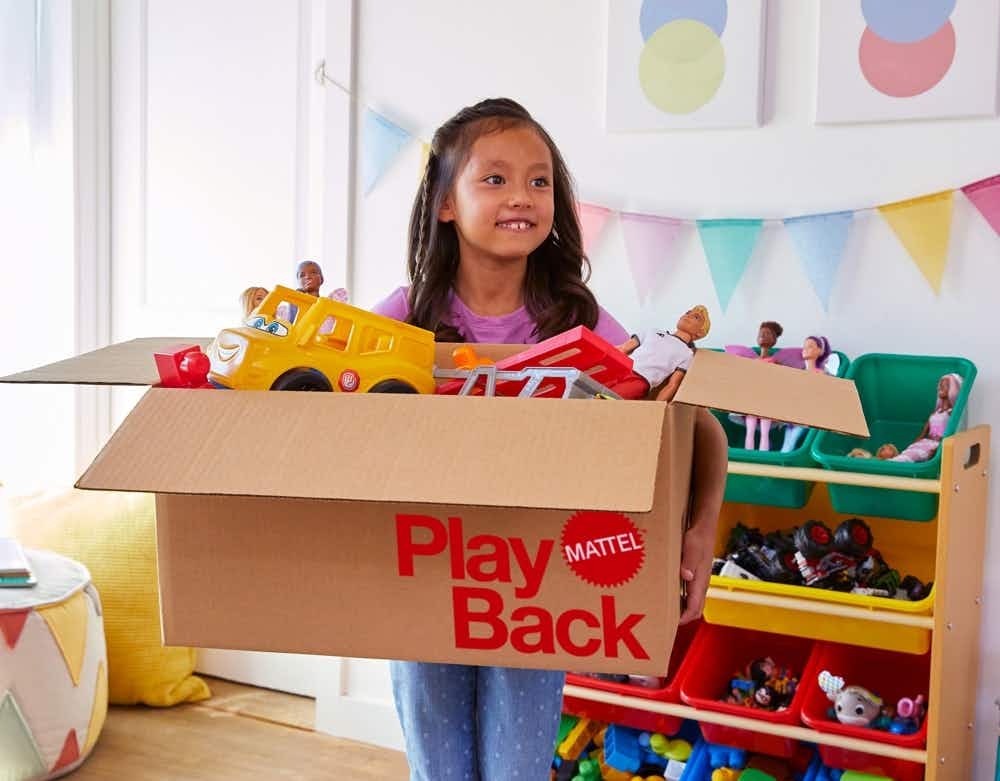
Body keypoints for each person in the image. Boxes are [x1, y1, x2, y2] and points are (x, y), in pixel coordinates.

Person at [371, 97, 727, 781]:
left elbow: (695, 422)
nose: (524, 197)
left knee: (518, 771)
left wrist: (700, 531)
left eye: (541, 181)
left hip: (530, 591)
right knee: (439, 772)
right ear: (445, 202)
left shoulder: (575, 317)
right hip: (423, 578)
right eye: (496, 178)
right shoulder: (405, 316)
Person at [617, 305, 711, 402]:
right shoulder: (653, 331)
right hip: (621, 369)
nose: (688, 316)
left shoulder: (687, 354)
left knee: (611, 398)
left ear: (700, 332)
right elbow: (623, 348)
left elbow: (673, 384)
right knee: (600, 389)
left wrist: (656, 408)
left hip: (640, 380)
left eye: (696, 317)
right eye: (687, 313)